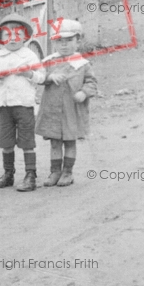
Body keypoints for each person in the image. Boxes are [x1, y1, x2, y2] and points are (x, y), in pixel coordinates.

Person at [0, 12, 45, 192]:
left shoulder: (29, 56)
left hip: (24, 104)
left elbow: (41, 77)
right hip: (3, 105)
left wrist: (28, 73)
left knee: (26, 140)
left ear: (24, 36)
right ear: (1, 38)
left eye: (17, 34)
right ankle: (8, 174)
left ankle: (30, 175)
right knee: (6, 141)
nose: (13, 39)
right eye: (7, 35)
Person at [36, 19, 97, 187]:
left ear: (78, 41)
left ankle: (68, 172)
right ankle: (55, 171)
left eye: (69, 40)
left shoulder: (82, 64)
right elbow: (39, 78)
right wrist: (49, 77)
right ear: (54, 43)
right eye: (59, 41)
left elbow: (92, 83)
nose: (64, 45)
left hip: (72, 110)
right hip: (52, 110)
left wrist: (84, 93)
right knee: (55, 141)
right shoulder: (49, 61)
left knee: (70, 141)